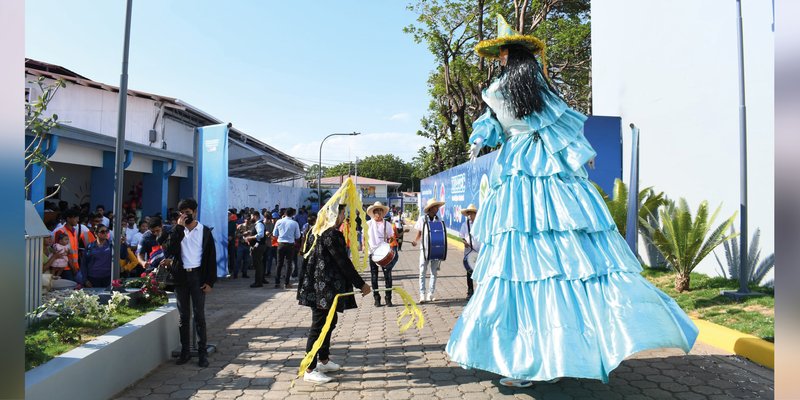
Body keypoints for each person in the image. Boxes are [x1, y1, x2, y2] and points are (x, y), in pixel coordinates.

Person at [445, 16, 698, 387]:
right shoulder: (534, 90)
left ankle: (529, 359)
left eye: (500, 53)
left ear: (505, 55)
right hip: (540, 170)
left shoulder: (502, 91)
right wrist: (581, 154)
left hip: (519, 170)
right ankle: (555, 353)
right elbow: (559, 127)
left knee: (522, 265)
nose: (498, 59)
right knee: (563, 262)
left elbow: (499, 126)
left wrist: (480, 141)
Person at [297, 202, 370, 384]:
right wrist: (361, 284)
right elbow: (342, 262)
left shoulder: (314, 231)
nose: (343, 218)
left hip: (317, 286)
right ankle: (310, 368)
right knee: (319, 326)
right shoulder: (331, 234)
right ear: (333, 215)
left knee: (330, 322)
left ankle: (323, 360)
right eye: (342, 214)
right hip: (324, 289)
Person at [162, 198, 217, 368]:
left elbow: (211, 258)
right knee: (184, 317)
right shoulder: (176, 231)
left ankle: (202, 353)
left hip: (198, 277)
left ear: (195, 212)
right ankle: (185, 351)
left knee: (199, 316)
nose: (185, 215)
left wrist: (209, 282)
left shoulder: (205, 231)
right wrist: (179, 228)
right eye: (182, 212)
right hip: (181, 278)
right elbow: (169, 249)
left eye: (188, 212)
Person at [411, 198, 446, 303]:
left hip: (436, 249)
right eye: (436, 207)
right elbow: (419, 233)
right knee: (422, 271)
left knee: (434, 272)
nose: (437, 209)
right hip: (425, 249)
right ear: (431, 208)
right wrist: (415, 241)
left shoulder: (439, 220)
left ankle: (430, 294)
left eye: (438, 207)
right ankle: (422, 294)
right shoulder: (422, 219)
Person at [365, 202, 397, 307]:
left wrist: (390, 239)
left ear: (382, 213)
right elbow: (364, 237)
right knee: (374, 277)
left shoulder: (387, 224)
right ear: (373, 213)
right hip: (373, 253)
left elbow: (391, 236)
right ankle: (376, 298)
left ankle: (388, 298)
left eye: (379, 211)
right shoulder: (368, 224)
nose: (378, 213)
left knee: (388, 276)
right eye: (376, 211)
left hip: (384, 253)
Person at [273, 207, 301, 289]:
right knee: (289, 264)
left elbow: (275, 234)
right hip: (290, 245)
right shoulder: (294, 223)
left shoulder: (279, 221)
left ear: (284, 213)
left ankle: (277, 283)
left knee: (279, 264)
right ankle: (286, 283)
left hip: (280, 244)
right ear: (293, 214)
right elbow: (297, 236)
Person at [458, 204, 480, 299]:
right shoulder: (465, 224)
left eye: (472, 213)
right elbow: (461, 236)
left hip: (479, 251)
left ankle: (480, 291)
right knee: (469, 272)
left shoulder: (480, 224)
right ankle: (470, 291)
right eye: (469, 214)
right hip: (469, 252)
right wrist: (464, 242)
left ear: (476, 214)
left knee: (480, 272)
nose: (470, 216)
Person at [246, 210, 267, 288]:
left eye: (252, 216)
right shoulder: (257, 224)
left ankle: (258, 282)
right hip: (258, 246)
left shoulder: (259, 224)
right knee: (258, 264)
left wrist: (250, 237)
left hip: (258, 246)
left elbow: (260, 235)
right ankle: (259, 281)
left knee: (258, 264)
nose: (251, 218)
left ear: (255, 216)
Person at [234, 212, 253, 279]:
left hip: (248, 245)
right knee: (238, 260)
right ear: (244, 219)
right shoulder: (240, 226)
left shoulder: (252, 226)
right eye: (246, 219)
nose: (248, 221)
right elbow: (236, 235)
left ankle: (244, 273)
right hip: (241, 244)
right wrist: (244, 234)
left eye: (249, 219)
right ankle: (235, 274)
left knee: (246, 260)